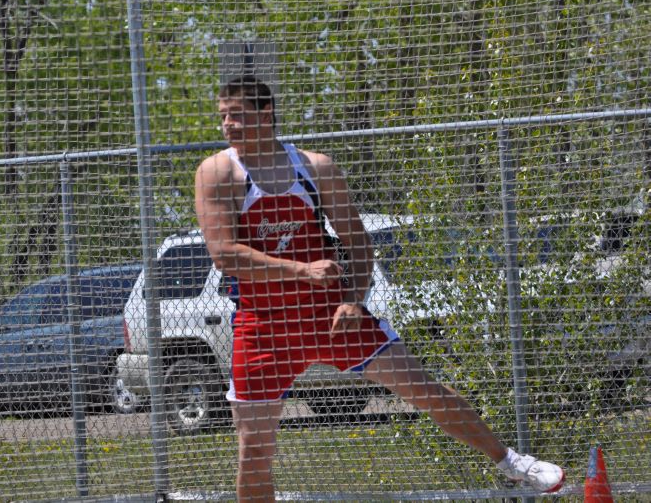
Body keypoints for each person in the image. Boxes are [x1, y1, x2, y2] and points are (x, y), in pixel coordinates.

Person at [194, 75, 565, 502]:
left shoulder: (314, 167)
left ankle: (511, 462)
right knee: (254, 450)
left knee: (423, 388)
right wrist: (303, 270)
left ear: (267, 114)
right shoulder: (218, 172)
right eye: (222, 117)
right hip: (264, 327)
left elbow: (357, 240)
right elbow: (225, 255)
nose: (228, 126)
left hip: (328, 316)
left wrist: (354, 298)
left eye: (237, 116)